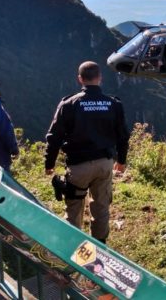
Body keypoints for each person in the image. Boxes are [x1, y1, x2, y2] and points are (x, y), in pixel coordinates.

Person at [44, 61, 129, 244]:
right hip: (104, 163)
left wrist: (49, 163)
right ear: (100, 78)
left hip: (78, 164)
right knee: (101, 206)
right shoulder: (113, 104)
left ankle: (73, 245)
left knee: (74, 206)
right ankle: (99, 247)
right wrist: (121, 161)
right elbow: (123, 135)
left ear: (80, 79)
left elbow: (54, 137)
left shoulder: (69, 104)